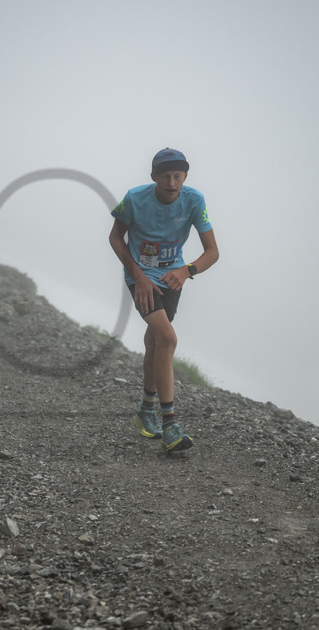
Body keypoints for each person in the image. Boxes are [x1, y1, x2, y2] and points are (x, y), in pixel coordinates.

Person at [109, 147, 219, 452]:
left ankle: (146, 410)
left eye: (177, 176)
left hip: (172, 277)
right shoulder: (135, 198)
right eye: (166, 176)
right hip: (141, 279)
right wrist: (138, 276)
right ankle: (170, 424)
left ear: (185, 177)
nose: (172, 182)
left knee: (156, 341)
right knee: (168, 339)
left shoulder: (194, 200)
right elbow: (115, 237)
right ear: (154, 177)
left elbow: (212, 252)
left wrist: (186, 271)